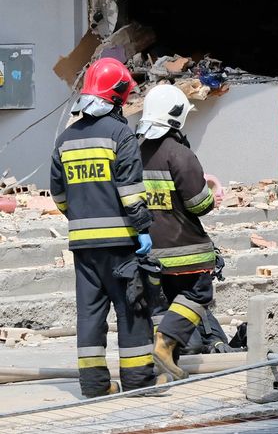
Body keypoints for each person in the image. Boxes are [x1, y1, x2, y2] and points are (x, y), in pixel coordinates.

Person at [49, 57, 157, 397]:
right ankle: (138, 382)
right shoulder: (121, 134)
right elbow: (130, 190)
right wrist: (142, 227)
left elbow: (59, 195)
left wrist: (81, 217)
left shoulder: (64, 139)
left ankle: (94, 386)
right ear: (117, 96)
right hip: (121, 243)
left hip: (83, 245)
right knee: (132, 308)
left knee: (90, 315)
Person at [136, 83, 224, 380]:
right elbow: (199, 205)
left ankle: (163, 366)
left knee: (163, 302)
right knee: (199, 293)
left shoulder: (132, 152)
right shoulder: (180, 154)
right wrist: (211, 193)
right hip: (184, 249)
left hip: (145, 248)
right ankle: (164, 344)